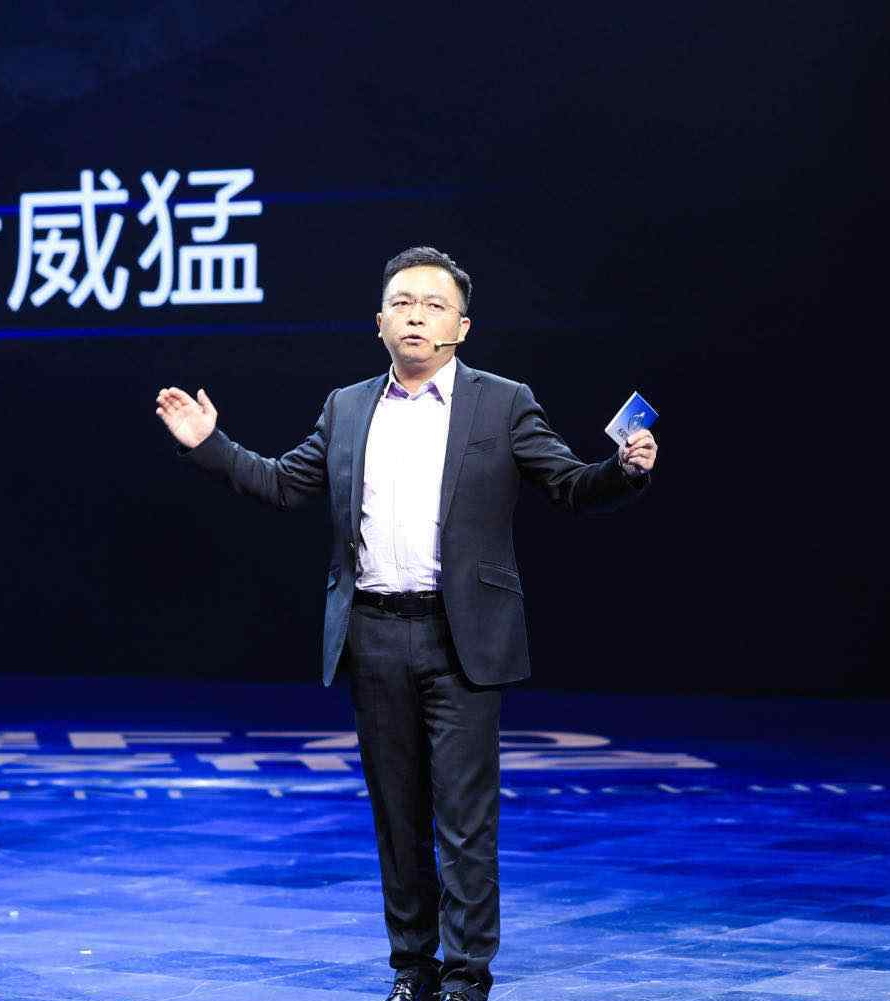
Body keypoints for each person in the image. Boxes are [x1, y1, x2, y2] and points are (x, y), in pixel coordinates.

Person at [154, 246, 657, 1001]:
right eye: (402, 302)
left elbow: (570, 484)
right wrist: (211, 446)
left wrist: (624, 470)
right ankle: (411, 966)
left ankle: (466, 973)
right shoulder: (347, 406)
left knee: (464, 816)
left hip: (462, 635)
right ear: (380, 322)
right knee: (397, 815)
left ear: (461, 327)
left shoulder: (502, 402)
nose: (416, 314)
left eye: (433, 304)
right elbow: (285, 484)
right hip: (374, 632)